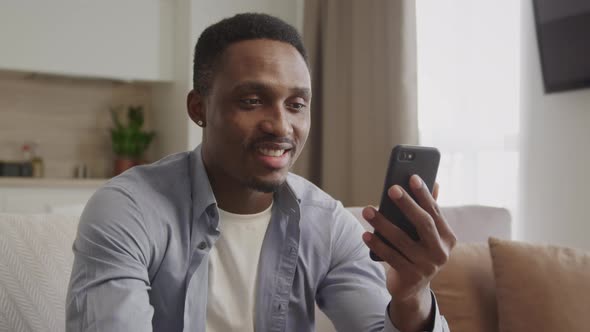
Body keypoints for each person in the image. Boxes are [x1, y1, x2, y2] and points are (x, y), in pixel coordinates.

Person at [66, 13, 455, 332]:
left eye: (296, 104)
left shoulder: (328, 224)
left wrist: (411, 295)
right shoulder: (129, 210)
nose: (281, 126)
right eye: (252, 101)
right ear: (198, 108)